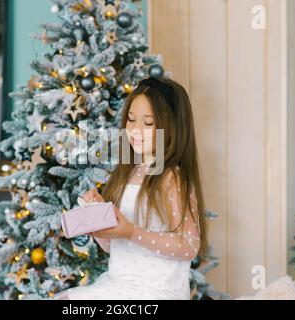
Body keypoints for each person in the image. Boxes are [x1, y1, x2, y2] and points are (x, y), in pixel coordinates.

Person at [54, 77, 208, 300]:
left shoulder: (171, 177)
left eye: (148, 123)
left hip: (155, 292)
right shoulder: (129, 173)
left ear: (172, 127)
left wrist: (132, 232)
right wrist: (99, 222)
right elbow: (112, 247)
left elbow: (188, 246)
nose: (135, 130)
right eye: (131, 120)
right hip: (119, 284)